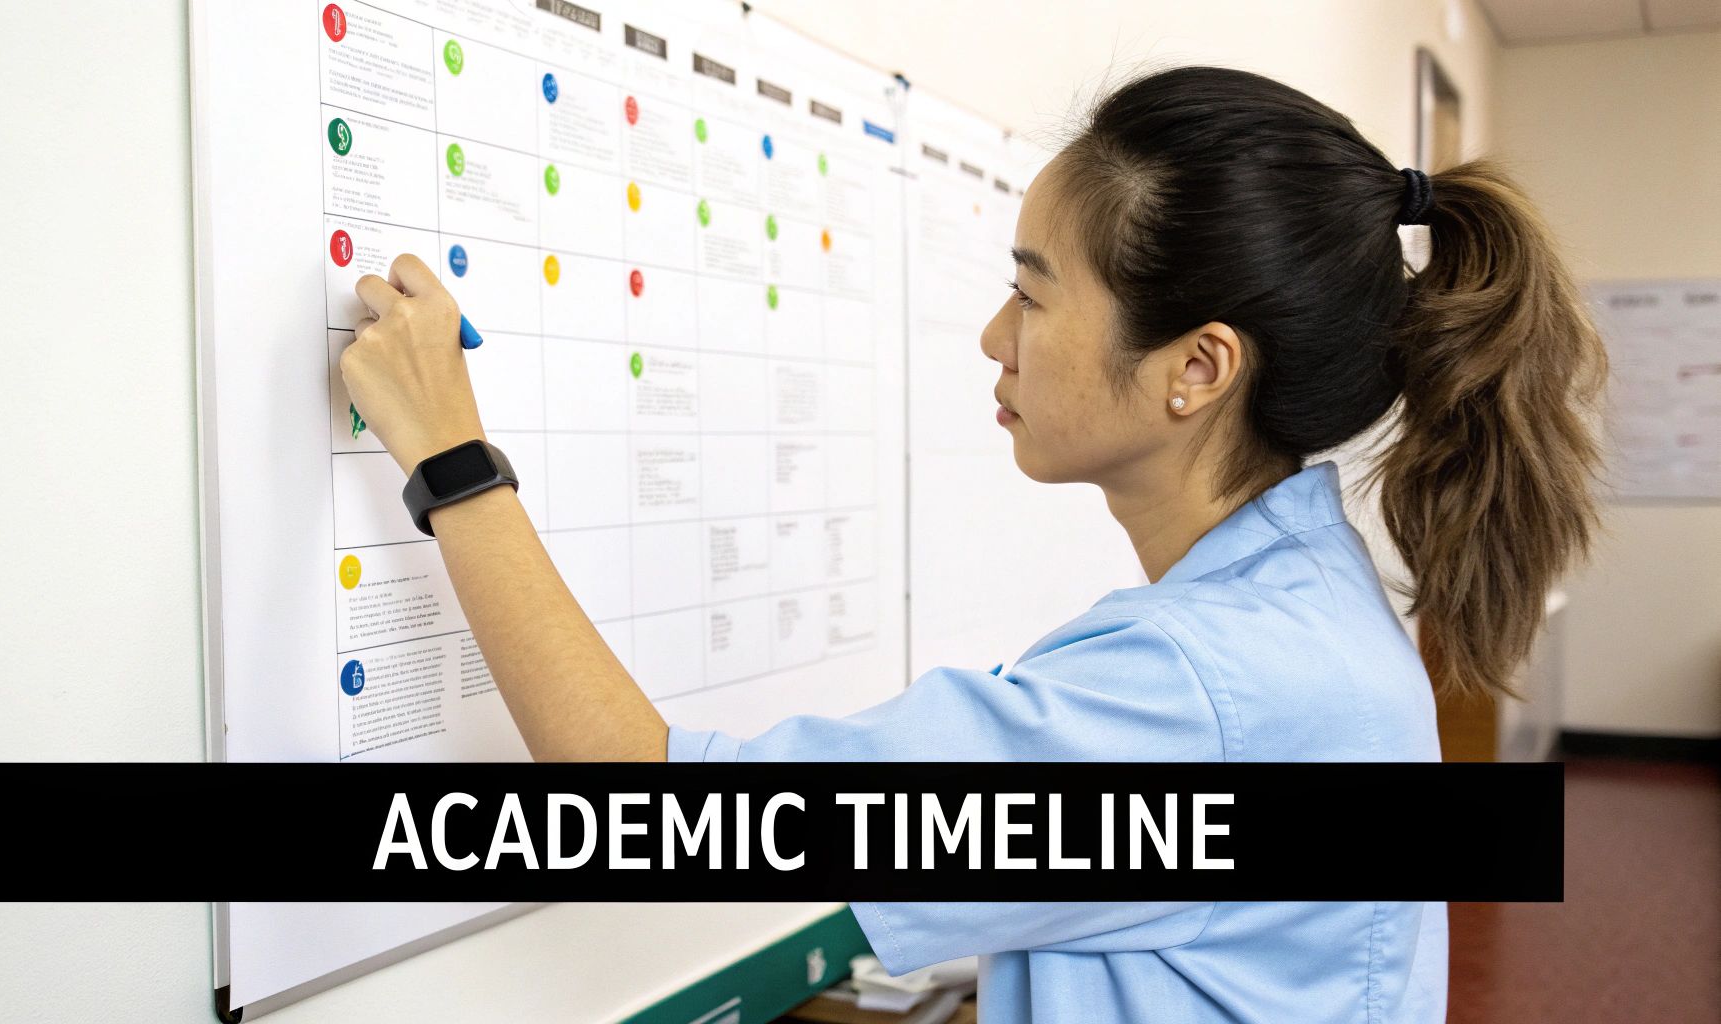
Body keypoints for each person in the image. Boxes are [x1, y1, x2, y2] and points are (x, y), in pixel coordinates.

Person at [337, 66, 1605, 1023]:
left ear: (1194, 369)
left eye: (1034, 289)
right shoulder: (1302, 608)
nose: (994, 335)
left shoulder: (1195, 691)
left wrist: (452, 458)